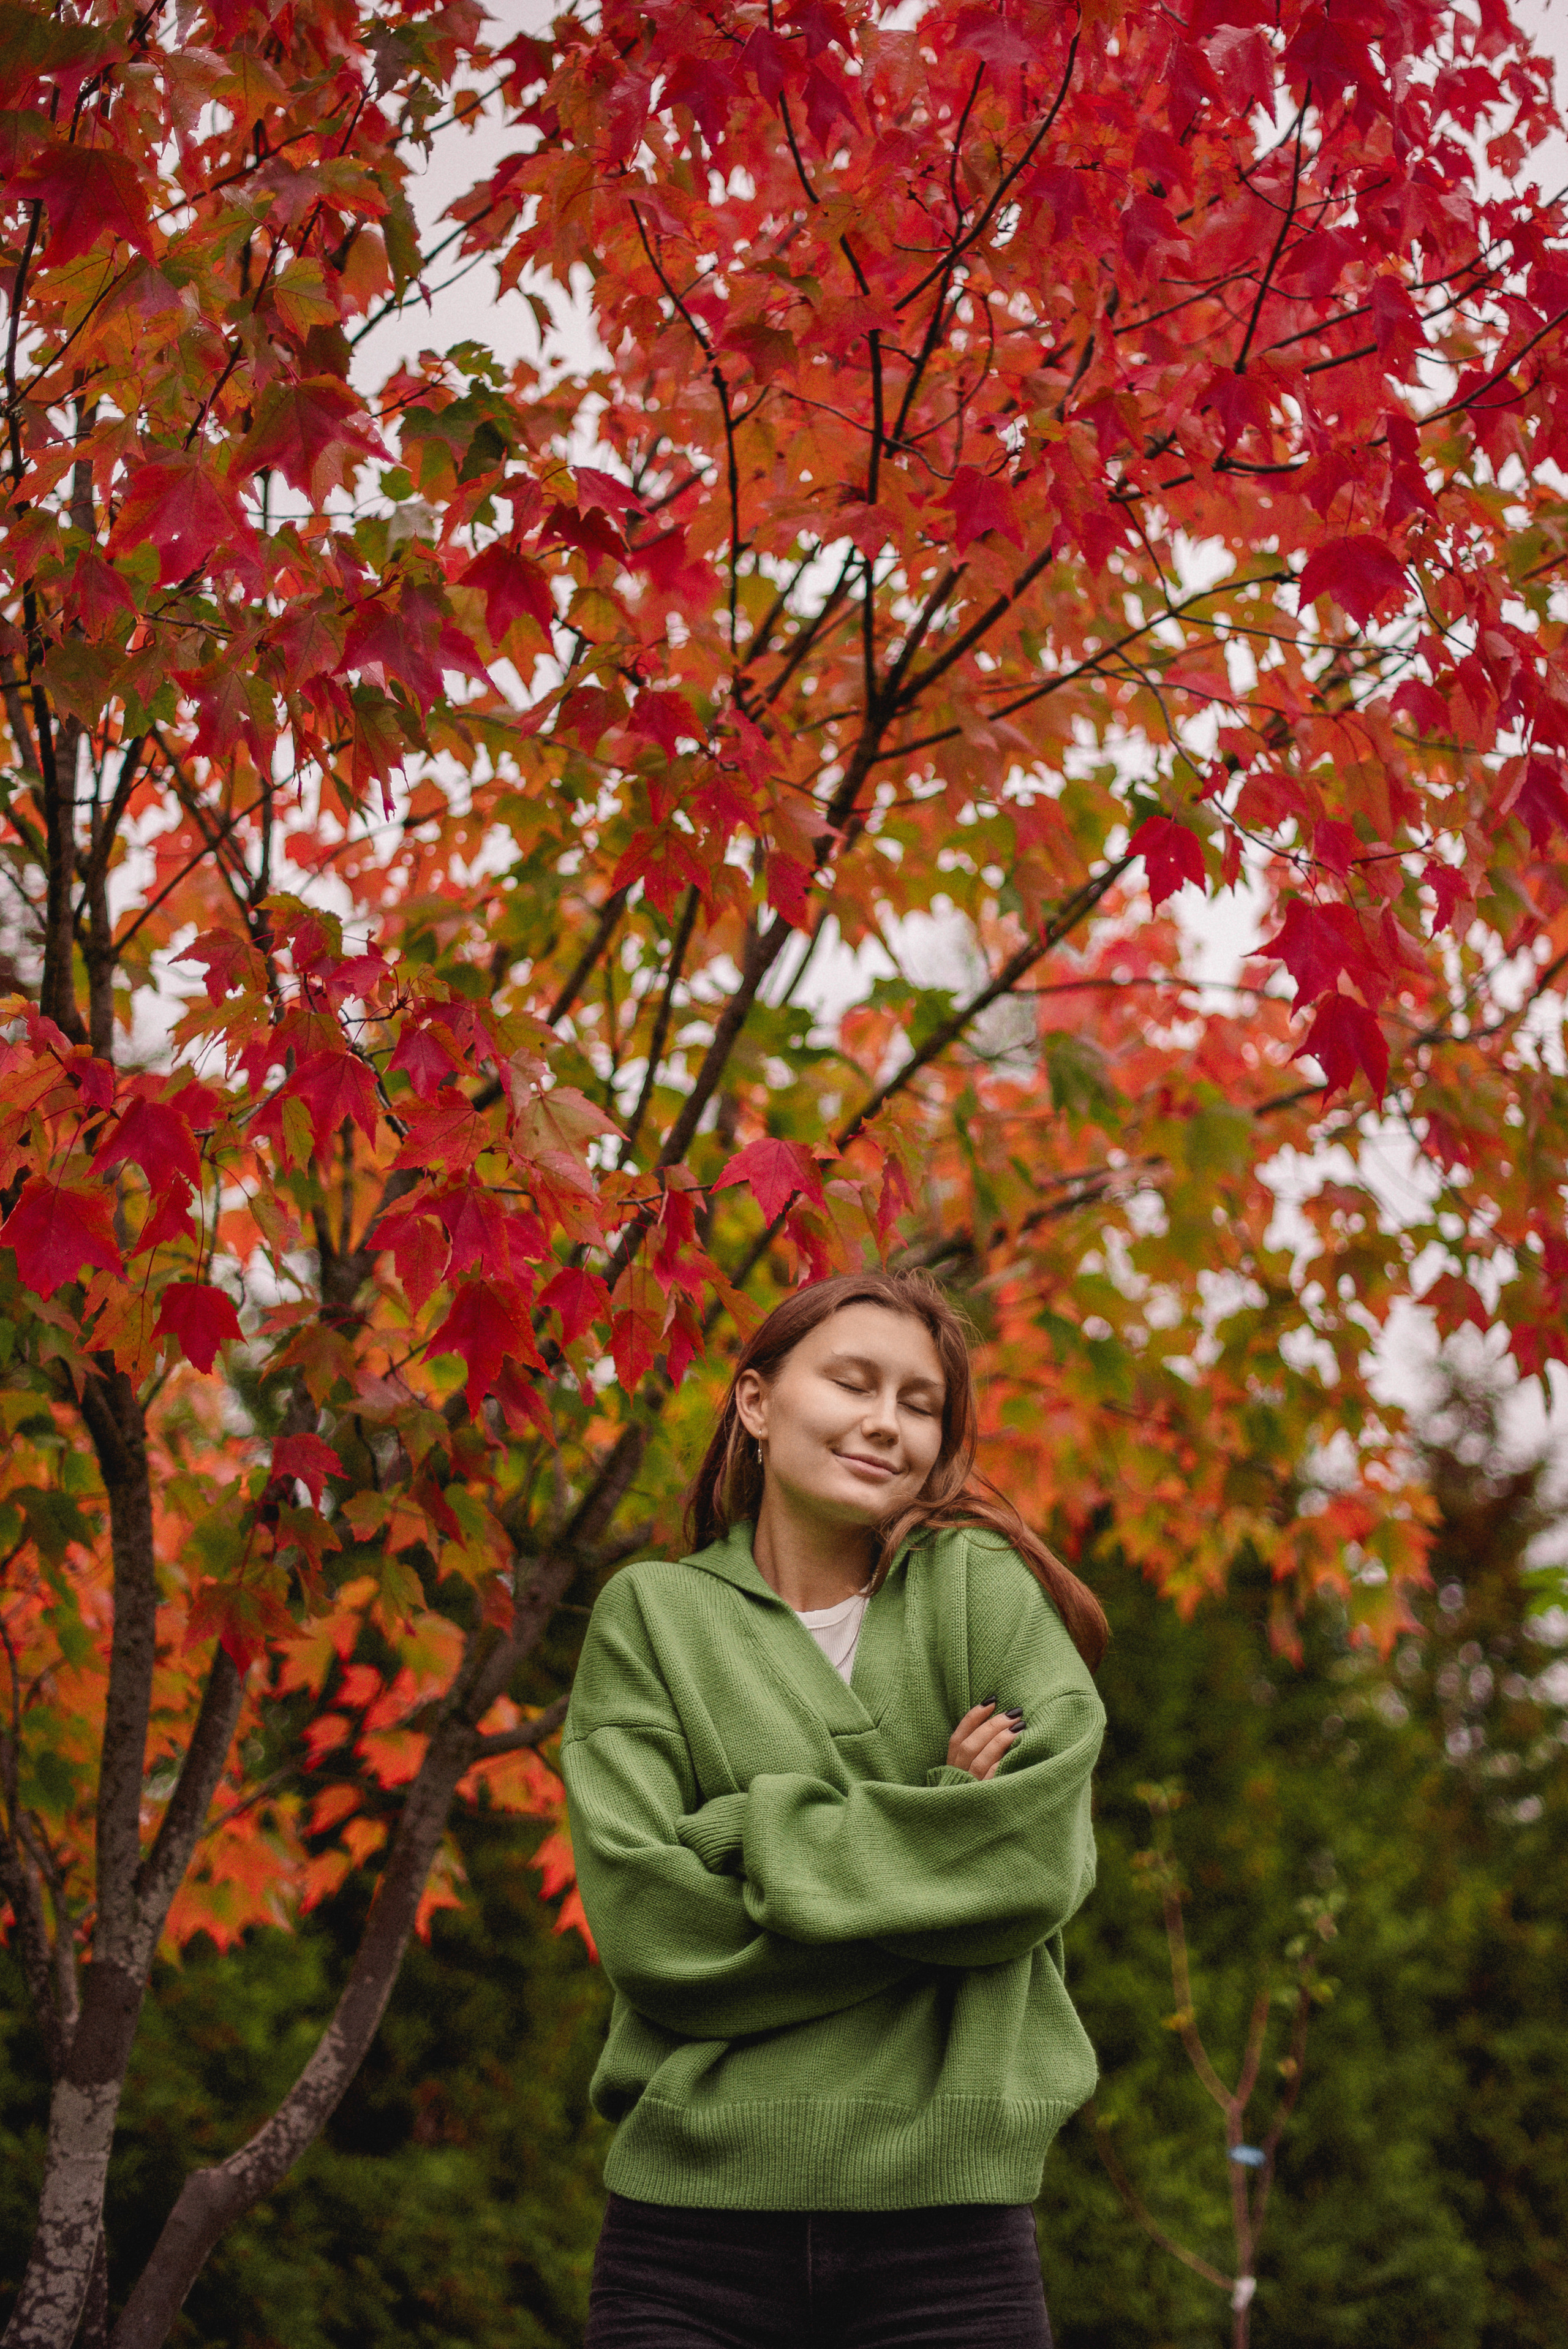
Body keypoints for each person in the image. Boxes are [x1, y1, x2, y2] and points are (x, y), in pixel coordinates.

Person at [561, 1268, 1109, 2349]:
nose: (885, 1422)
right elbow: (651, 1928)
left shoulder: (976, 1587)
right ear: (756, 1403)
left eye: (919, 1402)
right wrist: (944, 1829)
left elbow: (1037, 1862)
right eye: (853, 1383)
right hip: (688, 2238)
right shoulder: (654, 1617)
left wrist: (741, 1836)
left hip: (951, 2236)